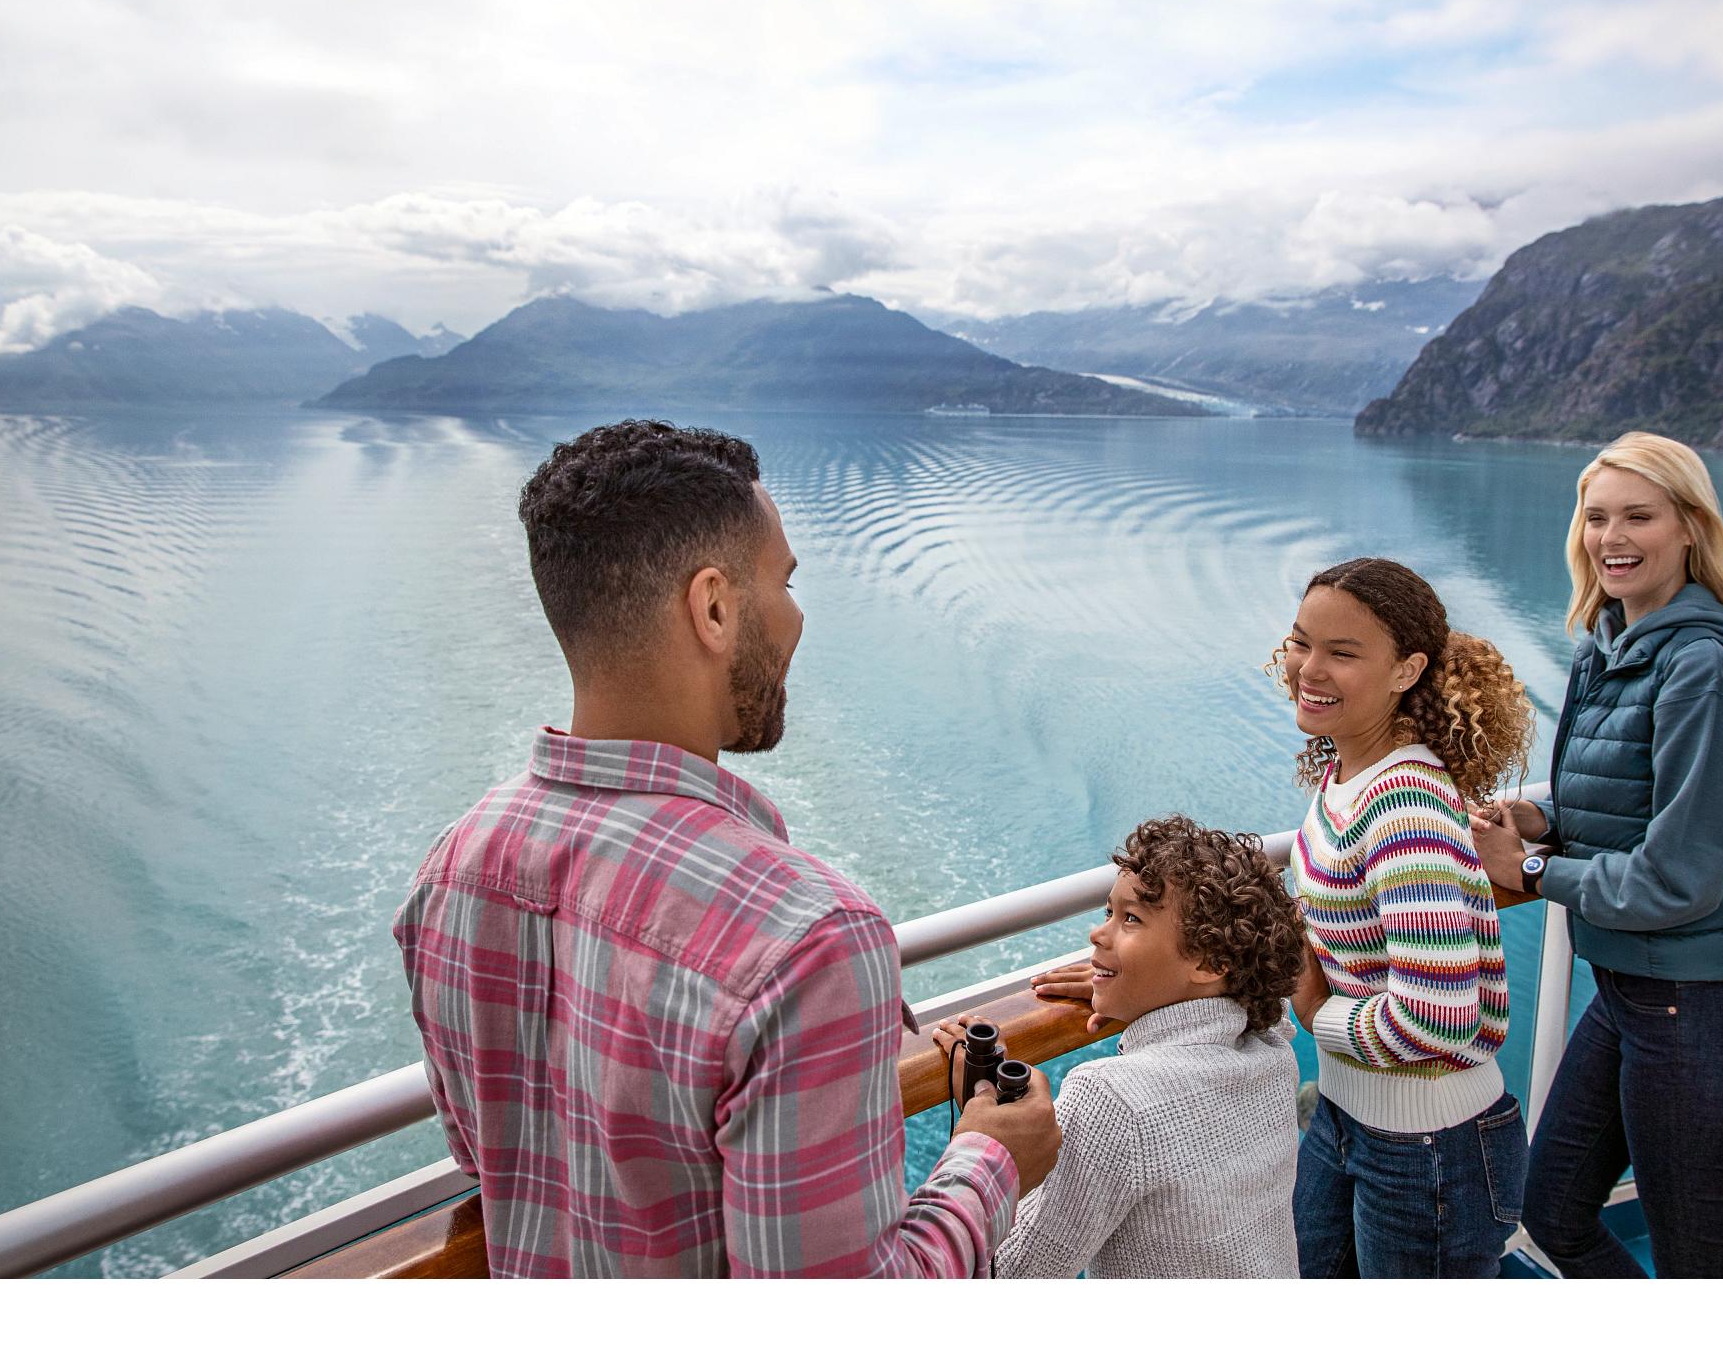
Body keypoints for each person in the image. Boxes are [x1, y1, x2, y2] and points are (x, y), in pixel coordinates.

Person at [392, 419, 1060, 1277]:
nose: (797, 617)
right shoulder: (810, 943)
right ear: (713, 606)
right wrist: (992, 1159)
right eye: (783, 581)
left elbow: (494, 1161)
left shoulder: (453, 871)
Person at [1471, 430, 1723, 1279]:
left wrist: (1528, 871)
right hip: (1634, 996)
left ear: (1689, 526)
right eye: (1596, 516)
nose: (1612, 536)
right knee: (1552, 1212)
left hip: (1700, 1008)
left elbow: (1678, 875)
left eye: (1638, 515)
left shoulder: (1703, 667)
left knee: (1699, 1271)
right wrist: (1537, 817)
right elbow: (1626, 800)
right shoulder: (1607, 646)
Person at [1275, 556, 1537, 1278]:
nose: (1308, 668)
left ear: (1406, 670)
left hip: (1429, 1148)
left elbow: (1437, 1019)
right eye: (1302, 642)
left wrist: (1310, 1006)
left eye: (1343, 653)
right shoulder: (1349, 771)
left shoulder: (1405, 808)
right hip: (1348, 1115)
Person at [966, 815, 1309, 1278]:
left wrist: (978, 1142)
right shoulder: (1271, 1049)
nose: (1098, 934)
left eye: (1131, 919)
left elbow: (1013, 1275)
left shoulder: (1114, 1100)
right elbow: (1265, 1008)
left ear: (1211, 963)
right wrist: (1135, 987)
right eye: (1109, 912)